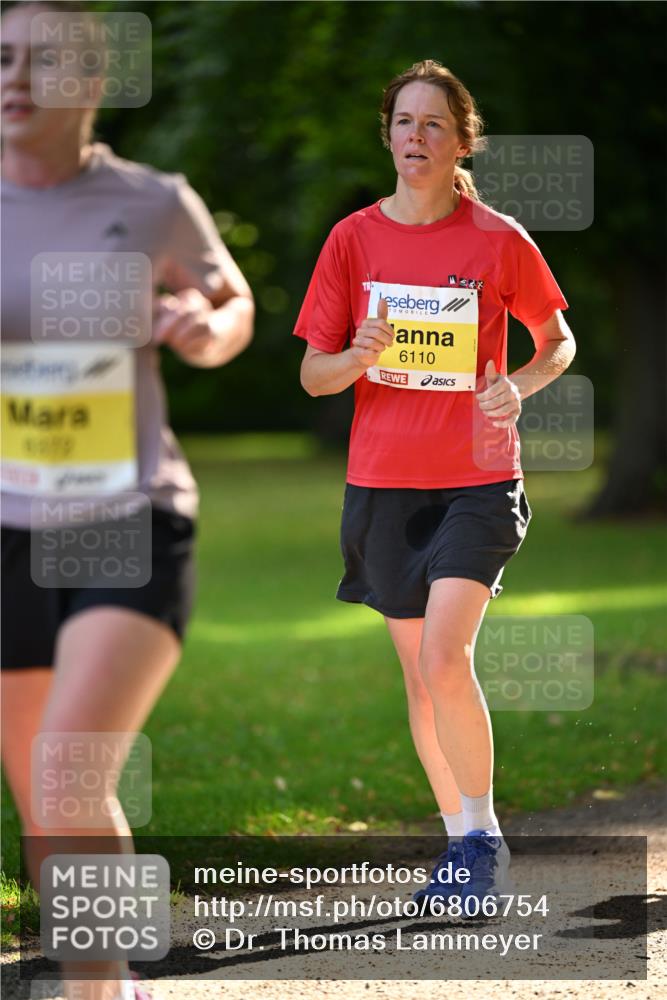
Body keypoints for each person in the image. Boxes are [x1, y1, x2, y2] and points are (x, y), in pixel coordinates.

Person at [0, 3, 254, 998]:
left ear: (91, 83)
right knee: (46, 802)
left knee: (68, 776)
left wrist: (204, 326)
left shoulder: (152, 202)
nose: (15, 77)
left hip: (128, 513)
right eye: (1, 58)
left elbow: (230, 303)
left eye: (43, 61)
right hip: (7, 526)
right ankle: (107, 983)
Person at [294, 59, 575, 913]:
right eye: (403, 122)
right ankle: (459, 845)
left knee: (443, 658)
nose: (415, 136)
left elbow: (555, 341)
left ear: (461, 143)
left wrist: (515, 387)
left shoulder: (496, 238)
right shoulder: (351, 240)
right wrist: (356, 355)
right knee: (420, 677)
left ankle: (482, 843)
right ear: (387, 136)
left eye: (433, 124)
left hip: (476, 480)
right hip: (382, 485)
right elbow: (313, 377)